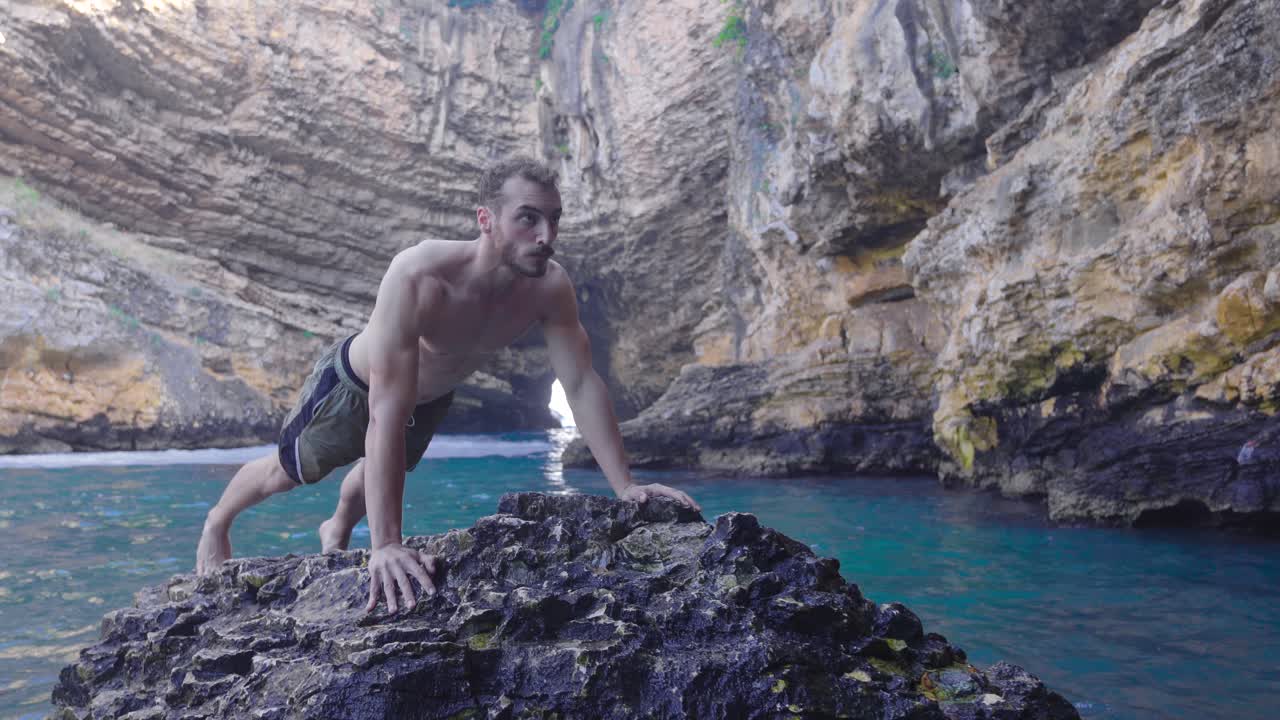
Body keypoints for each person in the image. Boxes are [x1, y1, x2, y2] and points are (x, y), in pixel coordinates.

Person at [195, 157, 700, 613]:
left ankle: (337, 525)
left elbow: (581, 382)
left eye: (554, 218)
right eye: (528, 217)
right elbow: (384, 413)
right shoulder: (419, 275)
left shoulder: (550, 287)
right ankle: (218, 520)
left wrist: (626, 486)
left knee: (377, 466)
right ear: (486, 220)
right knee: (289, 473)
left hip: (432, 394)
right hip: (354, 385)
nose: (546, 234)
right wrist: (386, 546)